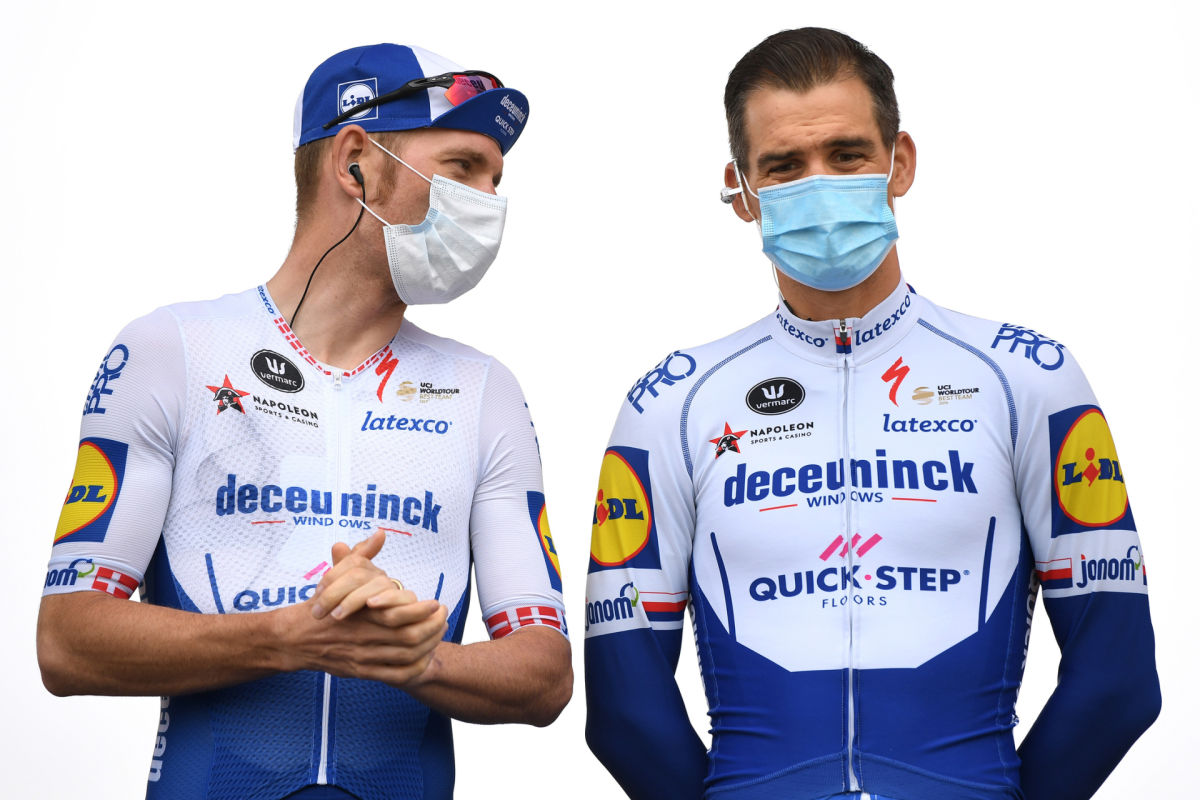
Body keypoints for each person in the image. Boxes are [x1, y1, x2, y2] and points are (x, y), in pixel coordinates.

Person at [583, 27, 1158, 800]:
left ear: (900, 161)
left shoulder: (1030, 378)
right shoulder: (669, 404)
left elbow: (1119, 682)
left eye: (847, 154)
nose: (818, 183)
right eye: (784, 166)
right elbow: (624, 713)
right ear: (741, 190)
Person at [37, 43, 571, 800]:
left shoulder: (486, 391)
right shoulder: (171, 350)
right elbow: (67, 640)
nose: (488, 201)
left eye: (496, 179)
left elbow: (545, 673)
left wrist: (415, 659)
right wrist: (291, 637)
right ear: (355, 162)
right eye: (462, 167)